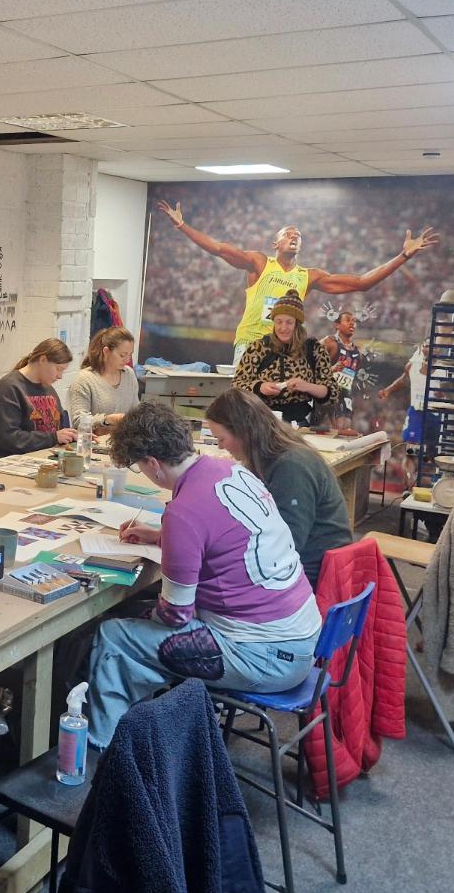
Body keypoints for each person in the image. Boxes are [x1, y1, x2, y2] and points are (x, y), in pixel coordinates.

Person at [84, 402, 320, 747]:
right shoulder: (230, 470)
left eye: (140, 467)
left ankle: (107, 753)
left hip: (263, 656)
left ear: (153, 463)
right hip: (302, 638)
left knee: (115, 637)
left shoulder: (184, 512)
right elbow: (230, 534)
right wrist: (162, 537)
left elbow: (176, 616)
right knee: (139, 625)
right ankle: (155, 729)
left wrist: (143, 613)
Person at [155, 198, 440, 362]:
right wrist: (182, 225)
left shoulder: (308, 276)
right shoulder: (258, 263)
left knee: (270, 411)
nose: (294, 236)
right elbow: (217, 248)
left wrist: (403, 256)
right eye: (288, 234)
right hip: (251, 343)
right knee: (244, 407)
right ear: (275, 242)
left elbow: (361, 282)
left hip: (284, 347)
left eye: (298, 235)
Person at [205, 389, 353, 587]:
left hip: (313, 576)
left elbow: (286, 545)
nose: (221, 447)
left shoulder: (291, 466)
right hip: (303, 566)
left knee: (208, 584)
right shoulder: (271, 456)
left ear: (243, 432)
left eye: (221, 439)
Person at [232, 289, 335, 426]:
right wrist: (260, 387)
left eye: (289, 322)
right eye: (278, 322)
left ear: (297, 324)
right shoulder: (259, 347)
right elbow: (237, 384)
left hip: (300, 423)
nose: (283, 327)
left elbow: (331, 391)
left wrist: (306, 386)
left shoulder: (314, 349)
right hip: (261, 422)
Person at [0, 338, 79, 458]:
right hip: (10, 461)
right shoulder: (9, 388)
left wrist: (72, 436)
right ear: (42, 360)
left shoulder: (47, 388)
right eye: (58, 369)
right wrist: (53, 437)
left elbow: (58, 428)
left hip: (44, 457)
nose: (60, 376)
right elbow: (10, 438)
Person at [379, 339, 436, 490]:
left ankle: (432, 489)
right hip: (416, 414)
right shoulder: (413, 364)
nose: (427, 346)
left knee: (433, 456)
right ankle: (408, 489)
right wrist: (388, 390)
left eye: (431, 344)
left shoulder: (444, 368)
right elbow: (404, 380)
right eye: (425, 343)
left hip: (435, 415)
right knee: (411, 453)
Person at [67, 326, 138, 433]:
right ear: (106, 351)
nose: (127, 360)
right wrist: (107, 420)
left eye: (130, 355)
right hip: (93, 444)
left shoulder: (129, 374)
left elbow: (136, 410)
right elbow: (78, 421)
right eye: (122, 355)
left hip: (124, 442)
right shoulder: (84, 379)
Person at [321, 310, 362, 428]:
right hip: (326, 391)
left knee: (345, 428)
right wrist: (331, 369)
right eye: (348, 320)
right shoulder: (329, 342)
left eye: (354, 321)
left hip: (345, 393)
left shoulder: (357, 352)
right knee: (331, 428)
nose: (352, 323)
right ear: (337, 325)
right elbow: (310, 363)